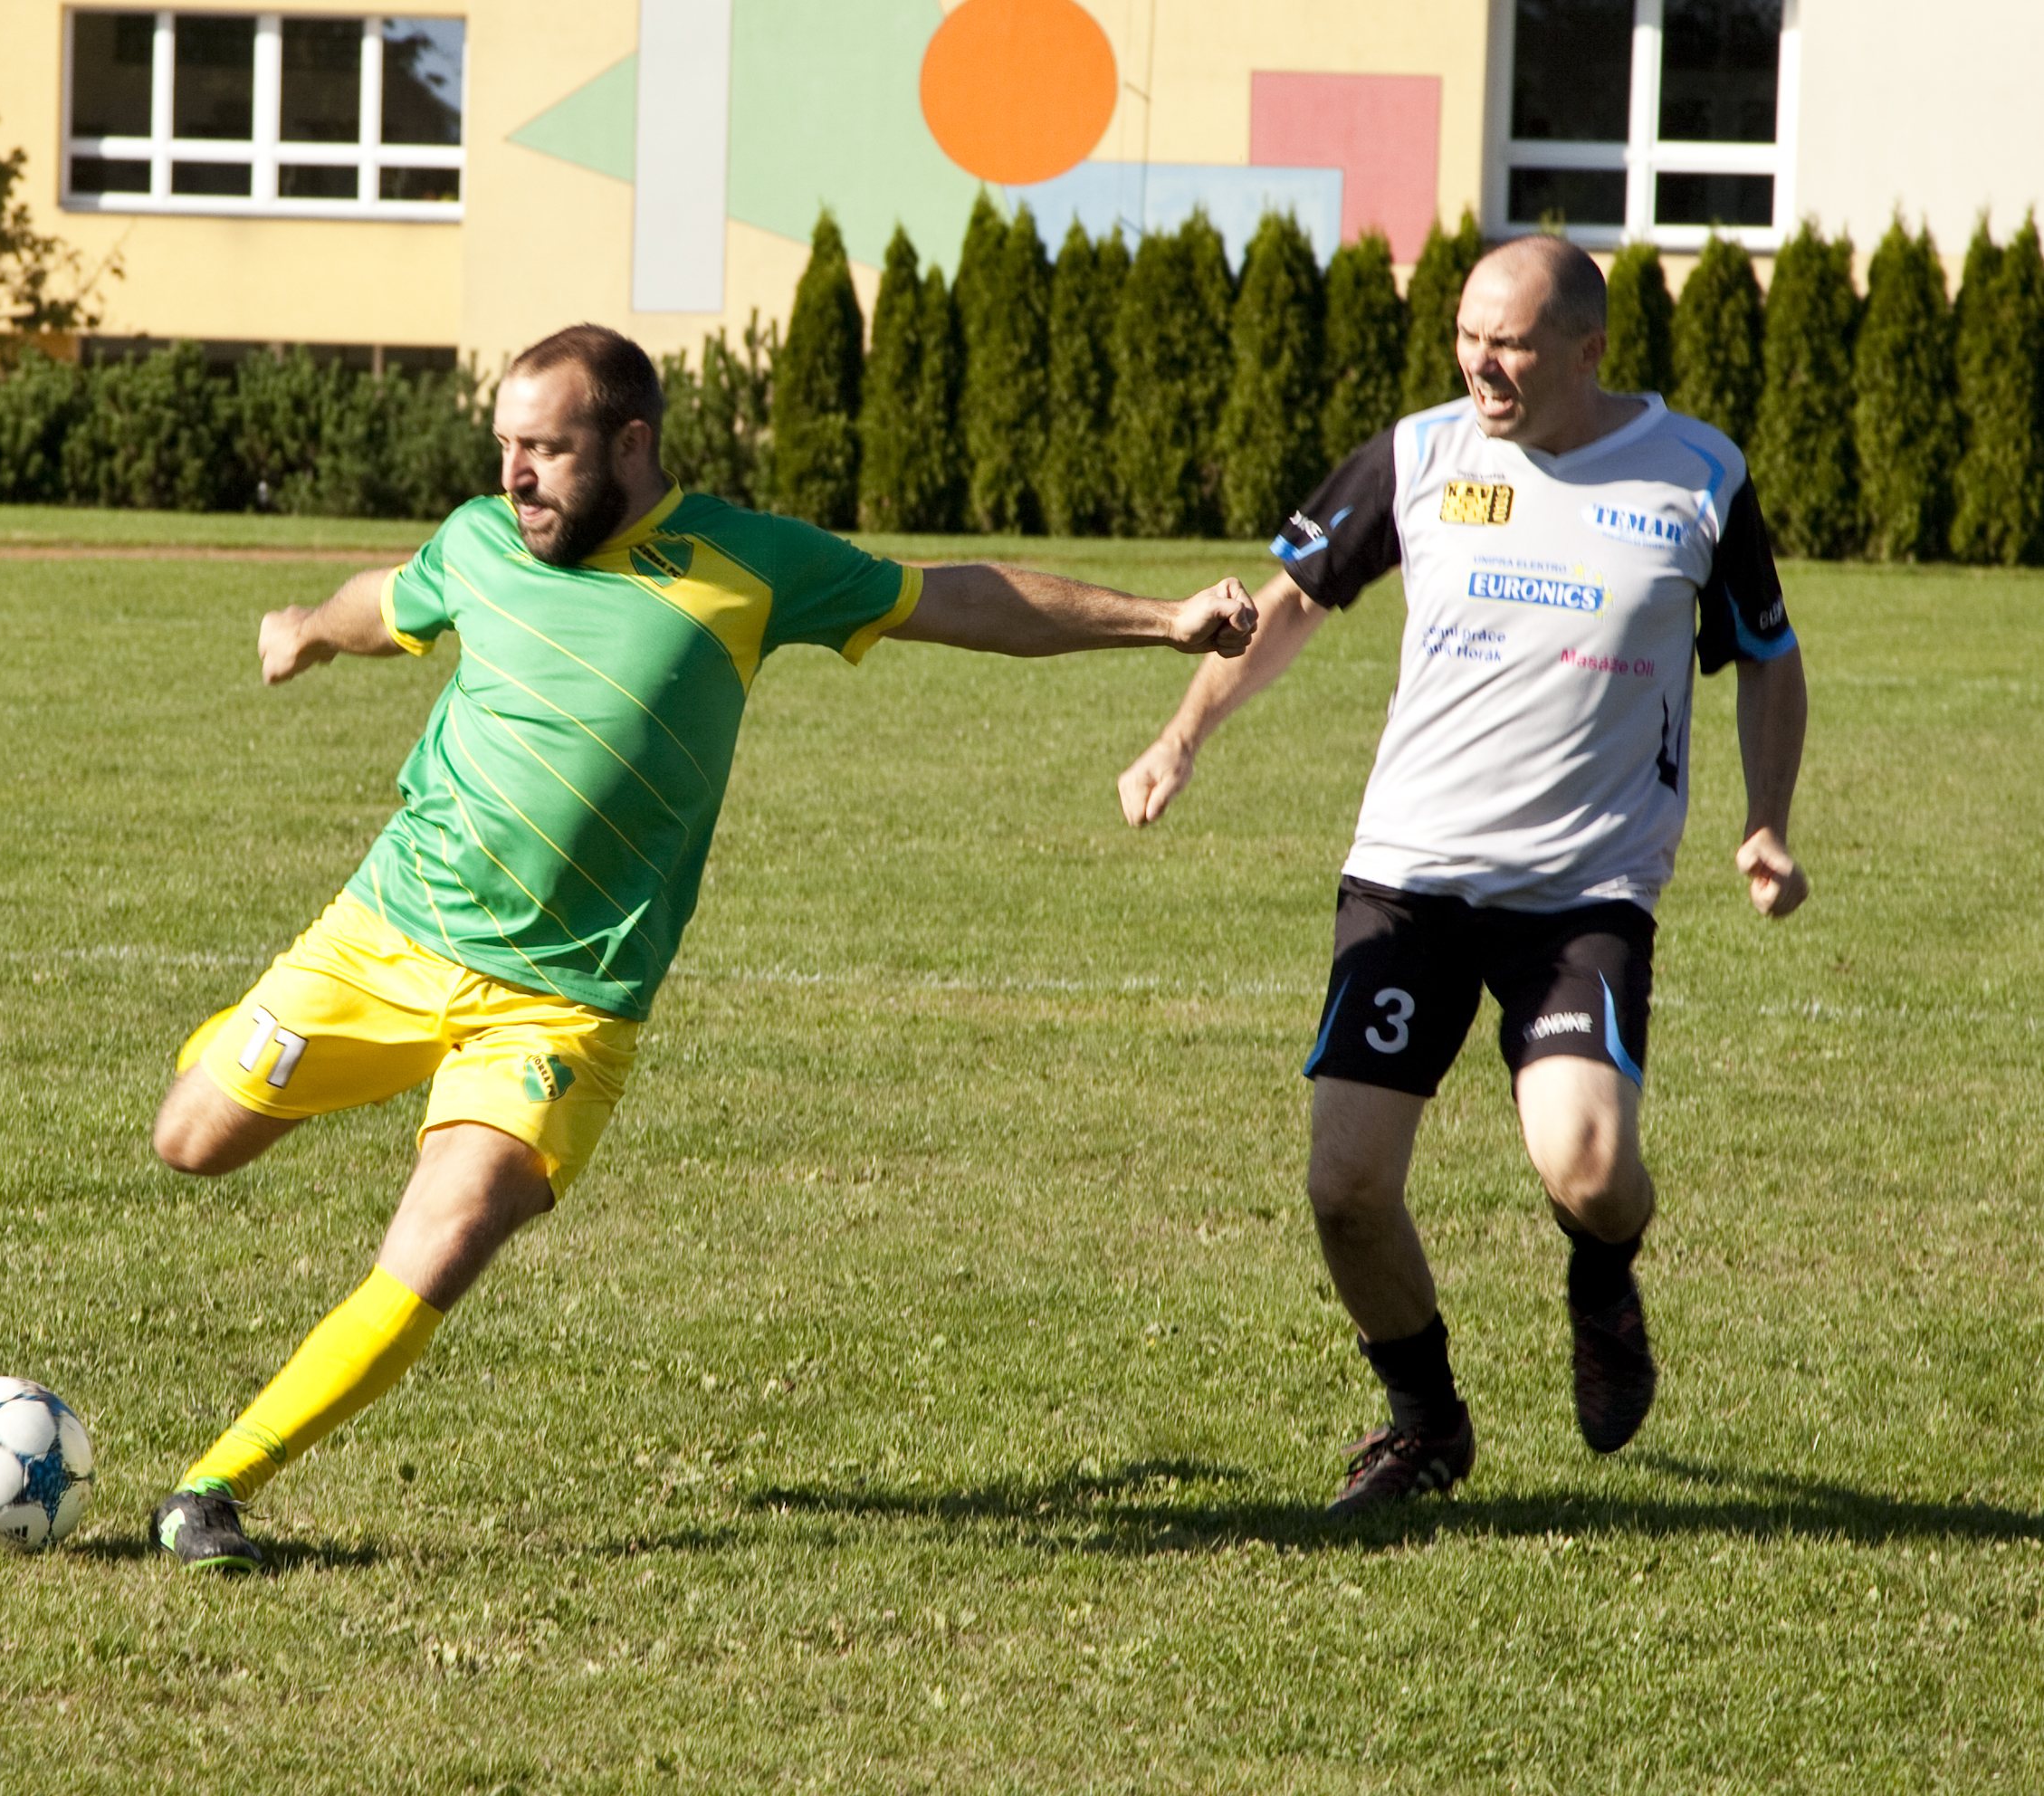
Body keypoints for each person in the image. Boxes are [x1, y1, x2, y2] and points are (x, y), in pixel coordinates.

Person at [148, 322, 1258, 1569]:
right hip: (384, 941)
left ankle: (214, 1489)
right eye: (504, 446)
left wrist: (1161, 620)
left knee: (450, 1232)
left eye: (546, 450)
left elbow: (958, 597)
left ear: (629, 445)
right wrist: (303, 624)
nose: (514, 476)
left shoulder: (744, 561)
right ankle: (270, 1075)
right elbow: (389, 599)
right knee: (190, 1141)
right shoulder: (478, 542)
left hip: (561, 1006)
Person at [1116, 235, 1810, 1515]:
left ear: (1588, 352)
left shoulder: (1695, 474)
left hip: (1583, 891)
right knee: (1344, 1189)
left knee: (1589, 1172)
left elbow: (1766, 653)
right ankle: (1424, 1424)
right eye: (1465, 335)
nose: (1481, 365)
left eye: (1511, 343)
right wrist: (1179, 736)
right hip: (1409, 877)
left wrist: (1766, 822)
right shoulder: (1420, 454)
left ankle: (1600, 1284)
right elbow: (1288, 600)